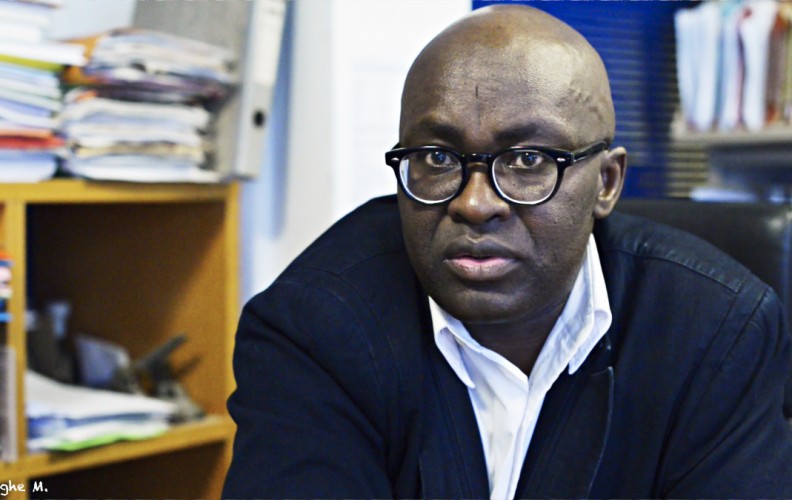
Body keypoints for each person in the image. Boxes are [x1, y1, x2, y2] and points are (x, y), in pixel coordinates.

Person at [223, 5, 792, 498]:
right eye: (438, 158)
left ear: (607, 183)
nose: (474, 204)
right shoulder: (314, 326)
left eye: (527, 160)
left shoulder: (716, 331)